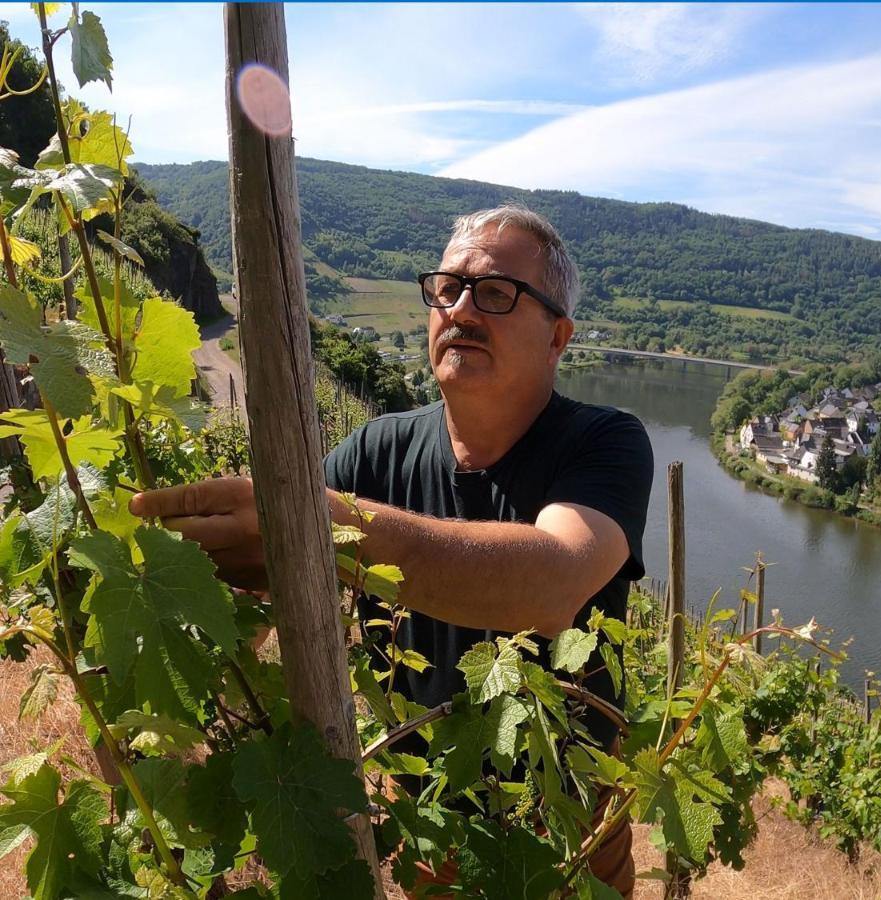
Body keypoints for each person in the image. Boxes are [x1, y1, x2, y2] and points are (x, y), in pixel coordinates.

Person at [129, 205, 654, 897]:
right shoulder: (379, 450)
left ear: (558, 336)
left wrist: (311, 522)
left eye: (497, 293)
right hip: (428, 819)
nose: (462, 309)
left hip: (564, 824)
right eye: (447, 288)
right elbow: (257, 596)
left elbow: (551, 582)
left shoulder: (604, 442)